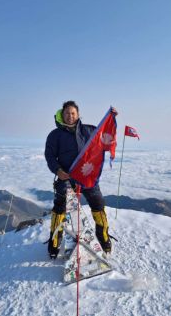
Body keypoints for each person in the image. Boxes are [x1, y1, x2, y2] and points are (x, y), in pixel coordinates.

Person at [44, 100, 117, 259]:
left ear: (78, 115)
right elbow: (49, 156)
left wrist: (111, 119)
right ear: (62, 115)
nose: (70, 116)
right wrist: (57, 170)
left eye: (73, 113)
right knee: (60, 209)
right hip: (66, 177)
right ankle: (54, 243)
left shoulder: (88, 130)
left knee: (98, 205)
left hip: (87, 176)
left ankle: (104, 239)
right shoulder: (55, 135)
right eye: (67, 113)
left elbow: (104, 138)